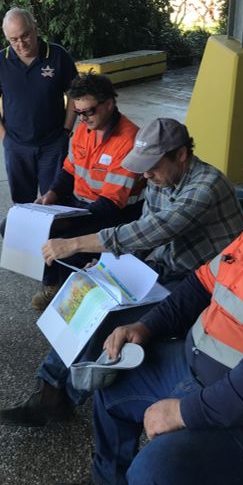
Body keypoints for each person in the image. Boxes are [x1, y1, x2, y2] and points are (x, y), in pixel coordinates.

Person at [46, 138, 243, 485]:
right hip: (207, 371)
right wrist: (148, 326)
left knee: (159, 471)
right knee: (114, 379)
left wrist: (184, 412)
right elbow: (202, 283)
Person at [0, 118, 243, 426]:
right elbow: (144, 239)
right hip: (164, 268)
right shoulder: (161, 179)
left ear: (181, 155)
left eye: (152, 165)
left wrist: (76, 244)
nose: (146, 174)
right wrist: (105, 266)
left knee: (112, 316)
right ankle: (48, 388)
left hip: (201, 282)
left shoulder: (206, 185)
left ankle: (66, 396)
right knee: (88, 292)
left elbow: (153, 231)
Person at [24, 73, 144, 311]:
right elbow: (69, 169)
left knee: (62, 240)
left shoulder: (128, 139)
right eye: (78, 113)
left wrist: (69, 224)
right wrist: (52, 195)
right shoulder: (83, 129)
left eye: (88, 111)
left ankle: (75, 296)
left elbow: (111, 203)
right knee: (17, 226)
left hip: (114, 212)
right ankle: (54, 285)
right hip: (77, 204)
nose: (83, 118)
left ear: (109, 104)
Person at [0, 8, 78, 204]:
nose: (20, 44)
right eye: (13, 39)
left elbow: (74, 95)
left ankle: (54, 236)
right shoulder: (0, 62)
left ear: (35, 29)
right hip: (16, 146)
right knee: (22, 203)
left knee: (55, 201)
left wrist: (66, 131)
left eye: (25, 36)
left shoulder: (58, 55)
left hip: (53, 144)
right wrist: (5, 137)